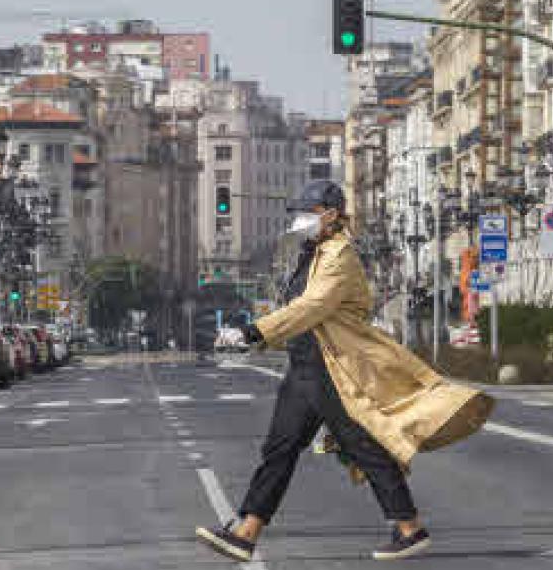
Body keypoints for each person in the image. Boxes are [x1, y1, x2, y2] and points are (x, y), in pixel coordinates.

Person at [195, 180, 494, 562]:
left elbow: (312, 307)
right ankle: (247, 532)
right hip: (304, 364)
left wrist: (254, 331)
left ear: (331, 214)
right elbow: (296, 307)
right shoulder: (311, 252)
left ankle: (409, 526)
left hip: (333, 367)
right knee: (280, 447)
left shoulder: (340, 256)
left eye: (308, 213)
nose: (300, 220)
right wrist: (265, 336)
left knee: (361, 444)